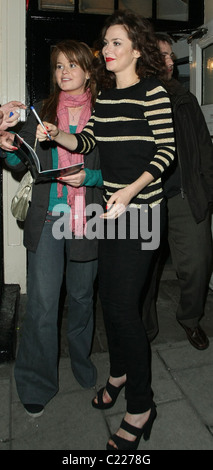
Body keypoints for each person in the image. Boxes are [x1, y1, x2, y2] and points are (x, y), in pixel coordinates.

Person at [37, 10, 175, 450]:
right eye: (106, 43)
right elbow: (88, 142)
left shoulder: (153, 93)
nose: (108, 50)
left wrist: (131, 191)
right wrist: (57, 134)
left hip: (141, 213)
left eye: (117, 42)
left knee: (120, 308)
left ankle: (141, 405)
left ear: (136, 49)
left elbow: (166, 152)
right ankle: (118, 372)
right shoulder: (108, 100)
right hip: (111, 214)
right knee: (109, 300)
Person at [4, 39, 103, 418]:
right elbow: (19, 163)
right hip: (47, 219)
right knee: (44, 303)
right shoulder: (40, 112)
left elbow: (119, 169)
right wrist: (5, 146)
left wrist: (89, 176)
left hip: (87, 219)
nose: (64, 72)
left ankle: (80, 360)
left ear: (89, 71)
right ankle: (36, 380)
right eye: (59, 66)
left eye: (72, 65)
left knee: (80, 298)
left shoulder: (104, 115)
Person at [142, 34, 213, 349]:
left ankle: (190, 318)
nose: (172, 62)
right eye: (165, 56)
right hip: (146, 199)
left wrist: (207, 189)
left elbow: (204, 147)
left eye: (172, 56)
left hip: (185, 195)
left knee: (198, 264)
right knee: (143, 271)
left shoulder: (184, 98)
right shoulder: (134, 98)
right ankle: (143, 330)